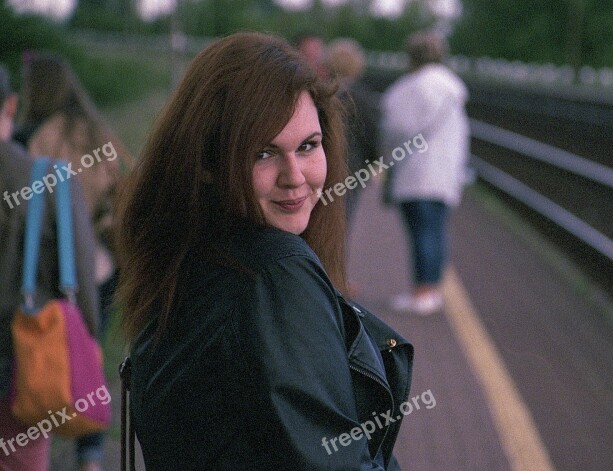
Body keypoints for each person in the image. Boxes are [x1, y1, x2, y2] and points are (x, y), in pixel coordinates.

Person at [115, 32, 413, 470]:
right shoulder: (276, 274)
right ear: (209, 162)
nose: (295, 176)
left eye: (308, 146)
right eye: (263, 153)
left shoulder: (185, 252)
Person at [15, 53, 131, 471]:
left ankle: (34, 442)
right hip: (100, 266)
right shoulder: (99, 132)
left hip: (44, 271)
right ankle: (92, 459)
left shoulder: (31, 137)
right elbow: (124, 187)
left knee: (40, 353)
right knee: (87, 356)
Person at [0, 64, 99, 471]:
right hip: (24, 362)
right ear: (10, 105)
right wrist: (87, 337)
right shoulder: (50, 181)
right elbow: (83, 280)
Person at [381, 31, 470, 315]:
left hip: (414, 172)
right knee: (435, 230)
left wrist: (386, 158)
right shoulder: (453, 89)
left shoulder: (408, 89)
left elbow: (394, 129)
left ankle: (422, 293)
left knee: (421, 232)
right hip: (444, 174)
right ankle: (431, 289)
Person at [325, 38, 381, 225]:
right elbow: (373, 135)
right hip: (352, 169)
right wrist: (373, 163)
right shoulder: (363, 97)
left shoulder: (322, 93)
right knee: (342, 225)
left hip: (323, 167)